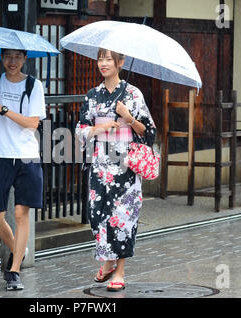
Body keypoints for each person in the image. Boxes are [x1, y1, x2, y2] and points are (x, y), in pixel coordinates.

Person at [76, 48, 156, 291]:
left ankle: (119, 271)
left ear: (120, 62)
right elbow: (80, 128)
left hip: (125, 168)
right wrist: (99, 129)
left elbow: (149, 132)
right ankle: (109, 261)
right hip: (100, 165)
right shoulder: (92, 95)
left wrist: (128, 117)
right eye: (100, 58)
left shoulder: (133, 94)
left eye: (108, 59)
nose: (103, 63)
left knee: (123, 218)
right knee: (97, 216)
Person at [0, 49, 46, 291]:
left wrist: (3, 108)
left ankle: (15, 270)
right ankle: (20, 247)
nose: (12, 62)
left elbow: (32, 123)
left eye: (18, 57)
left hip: (27, 156)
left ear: (25, 59)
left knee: (20, 214)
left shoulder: (33, 85)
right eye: (8, 56)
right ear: (1, 58)